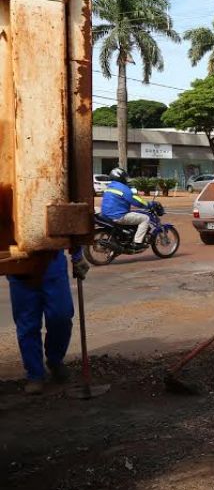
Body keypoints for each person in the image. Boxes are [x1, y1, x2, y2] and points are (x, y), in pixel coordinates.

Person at [6, 249, 89, 394]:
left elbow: (73, 227)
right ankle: (35, 374)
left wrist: (77, 256)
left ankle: (55, 359)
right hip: (19, 268)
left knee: (61, 317)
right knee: (27, 326)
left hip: (53, 264)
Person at [100, 167, 151, 250]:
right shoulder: (123, 188)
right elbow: (137, 201)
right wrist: (150, 204)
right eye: (124, 177)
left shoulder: (109, 187)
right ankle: (137, 242)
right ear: (120, 177)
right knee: (145, 218)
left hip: (106, 214)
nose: (126, 179)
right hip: (118, 215)